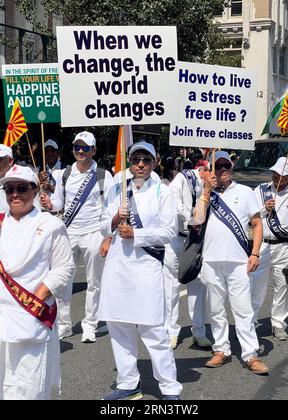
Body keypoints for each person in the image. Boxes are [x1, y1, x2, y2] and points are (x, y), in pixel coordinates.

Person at [99, 141, 182, 400]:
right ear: (130, 162)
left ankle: (169, 387)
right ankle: (128, 383)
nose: (141, 165)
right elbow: (102, 225)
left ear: (155, 162)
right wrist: (113, 220)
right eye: (136, 160)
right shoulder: (116, 190)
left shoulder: (163, 192)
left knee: (154, 330)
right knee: (119, 327)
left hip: (146, 268)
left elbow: (169, 232)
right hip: (118, 268)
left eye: (146, 160)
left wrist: (137, 233)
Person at [0, 164, 74, 399]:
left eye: (21, 188)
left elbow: (64, 268)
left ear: (34, 191)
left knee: (30, 387)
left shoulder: (51, 225)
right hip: (2, 317)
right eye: (9, 189)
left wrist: (41, 293)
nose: (15, 195)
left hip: (32, 316)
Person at [194, 151, 269, 375]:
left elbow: (256, 224)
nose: (223, 168)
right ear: (211, 170)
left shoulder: (246, 192)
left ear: (232, 167)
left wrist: (255, 254)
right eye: (218, 165)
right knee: (216, 309)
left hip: (238, 261)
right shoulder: (205, 193)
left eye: (227, 164)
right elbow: (196, 221)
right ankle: (221, 350)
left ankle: (250, 354)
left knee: (243, 309)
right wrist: (206, 192)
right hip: (211, 259)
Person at [40, 131, 114, 343]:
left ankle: (90, 324)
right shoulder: (66, 173)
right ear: (73, 149)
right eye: (77, 147)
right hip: (68, 232)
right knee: (63, 280)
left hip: (93, 233)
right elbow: (58, 203)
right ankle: (64, 324)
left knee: (94, 282)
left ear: (94, 150)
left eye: (85, 147)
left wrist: (108, 236)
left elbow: (109, 208)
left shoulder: (103, 175)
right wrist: (49, 203)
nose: (80, 151)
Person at [164, 158, 212, 349]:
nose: (214, 177)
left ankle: (198, 331)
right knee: (172, 287)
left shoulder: (212, 187)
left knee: (197, 286)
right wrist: (193, 218)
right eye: (211, 173)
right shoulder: (184, 178)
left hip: (197, 240)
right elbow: (173, 202)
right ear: (203, 170)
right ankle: (171, 331)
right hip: (177, 238)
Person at [251, 157, 288, 340]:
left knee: (283, 287)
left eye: (280, 174)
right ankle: (251, 322)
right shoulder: (261, 190)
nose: (275, 177)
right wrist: (264, 209)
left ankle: (278, 323)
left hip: (286, 247)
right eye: (274, 173)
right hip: (263, 246)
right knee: (256, 286)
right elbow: (251, 215)